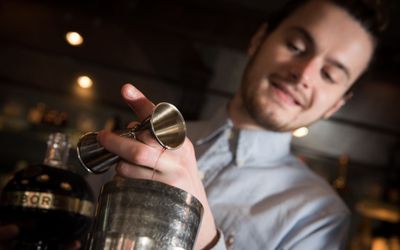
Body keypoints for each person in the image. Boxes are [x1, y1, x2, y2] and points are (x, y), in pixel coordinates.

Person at [0, 0, 387, 249]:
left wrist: (202, 233)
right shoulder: (141, 139)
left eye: (331, 73)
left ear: (337, 103)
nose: (304, 73)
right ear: (258, 40)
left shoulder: (320, 217)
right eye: (297, 46)